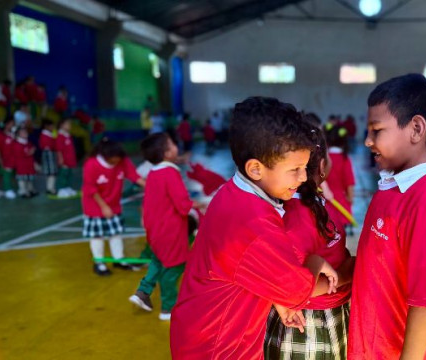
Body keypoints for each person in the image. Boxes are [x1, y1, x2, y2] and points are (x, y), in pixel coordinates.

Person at [170, 97, 340, 359]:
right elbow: (296, 291)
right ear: (255, 169)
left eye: (305, 167)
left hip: (207, 336)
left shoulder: (236, 194)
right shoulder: (253, 225)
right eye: (294, 169)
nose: (304, 177)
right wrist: (316, 262)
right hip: (219, 349)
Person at [349, 74, 426, 359]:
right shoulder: (393, 186)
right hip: (374, 344)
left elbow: (425, 304)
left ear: (416, 129)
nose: (367, 141)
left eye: (377, 131)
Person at [265, 113, 355, 359]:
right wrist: (349, 272)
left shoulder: (318, 206)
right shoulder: (296, 217)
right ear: (323, 166)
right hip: (306, 325)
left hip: (326, 315)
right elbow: (289, 288)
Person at [129, 133, 203, 321]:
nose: (175, 146)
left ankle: (143, 291)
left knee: (158, 259)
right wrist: (197, 204)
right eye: (172, 144)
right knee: (175, 267)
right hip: (171, 230)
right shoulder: (170, 173)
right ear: (166, 152)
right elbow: (181, 204)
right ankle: (168, 309)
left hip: (155, 230)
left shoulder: (154, 172)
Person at [81, 138, 146, 276]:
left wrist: (151, 187)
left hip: (114, 204)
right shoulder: (91, 164)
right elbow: (90, 189)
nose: (117, 162)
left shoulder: (122, 160)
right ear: (106, 156)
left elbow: (134, 176)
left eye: (119, 159)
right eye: (114, 160)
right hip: (95, 205)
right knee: (97, 236)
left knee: (115, 233)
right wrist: (103, 207)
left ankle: (119, 259)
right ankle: (99, 263)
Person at [324, 123, 356, 233]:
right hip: (342, 208)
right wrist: (350, 198)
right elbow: (349, 184)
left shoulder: (323, 159)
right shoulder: (344, 160)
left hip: (325, 206)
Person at [13, 126, 37, 198]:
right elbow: (20, 154)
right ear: (18, 135)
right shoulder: (17, 144)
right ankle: (23, 191)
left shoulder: (28, 142)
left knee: (29, 179)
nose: (25, 133)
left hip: (29, 164)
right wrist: (30, 152)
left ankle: (30, 190)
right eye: (23, 132)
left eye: (25, 132)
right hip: (22, 165)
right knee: (22, 179)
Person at [56, 119, 77, 198]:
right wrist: (61, 159)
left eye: (70, 124)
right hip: (64, 160)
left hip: (70, 159)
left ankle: (67, 188)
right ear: (62, 125)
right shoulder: (60, 136)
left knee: (69, 174)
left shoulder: (68, 135)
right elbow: (59, 149)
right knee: (63, 174)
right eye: (67, 124)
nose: (69, 126)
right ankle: (61, 189)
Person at [39, 119, 58, 195]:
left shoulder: (51, 134)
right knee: (51, 172)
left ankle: (50, 187)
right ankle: (50, 188)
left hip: (52, 153)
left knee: (52, 172)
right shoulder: (44, 135)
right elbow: (50, 145)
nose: (53, 127)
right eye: (51, 126)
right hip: (48, 154)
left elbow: (56, 139)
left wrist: (54, 132)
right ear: (46, 126)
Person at [0, 118, 16, 199]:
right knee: (4, 174)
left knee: (9, 174)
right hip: (3, 159)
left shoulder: (13, 135)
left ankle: (7, 189)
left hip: (12, 159)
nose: (13, 125)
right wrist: (0, 160)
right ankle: (6, 190)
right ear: (6, 124)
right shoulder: (0, 135)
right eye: (11, 123)